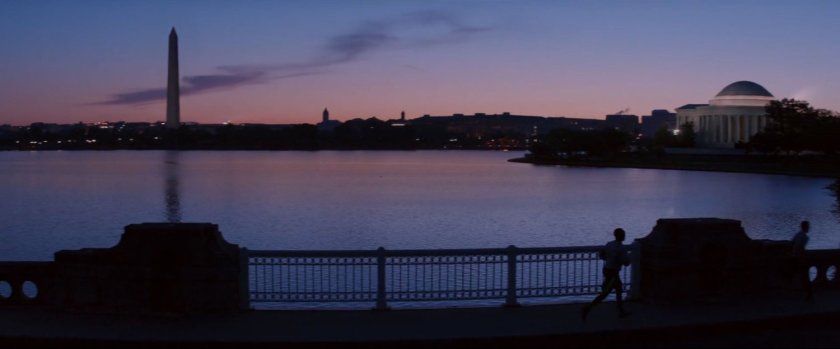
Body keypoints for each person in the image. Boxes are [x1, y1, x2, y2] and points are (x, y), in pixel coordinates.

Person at [581, 228, 631, 320]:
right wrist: (630, 257)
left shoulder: (609, 244)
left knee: (619, 289)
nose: (624, 236)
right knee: (605, 294)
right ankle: (587, 308)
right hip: (613, 273)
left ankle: (621, 311)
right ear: (621, 236)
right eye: (623, 234)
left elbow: (602, 255)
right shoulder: (621, 248)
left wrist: (610, 258)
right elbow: (627, 263)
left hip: (607, 270)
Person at [791, 220, 813, 301]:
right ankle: (808, 294)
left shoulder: (797, 234)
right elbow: (800, 248)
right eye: (808, 227)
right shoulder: (805, 237)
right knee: (805, 277)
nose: (809, 228)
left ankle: (805, 294)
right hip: (799, 259)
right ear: (806, 227)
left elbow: (792, 243)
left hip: (794, 258)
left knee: (800, 277)